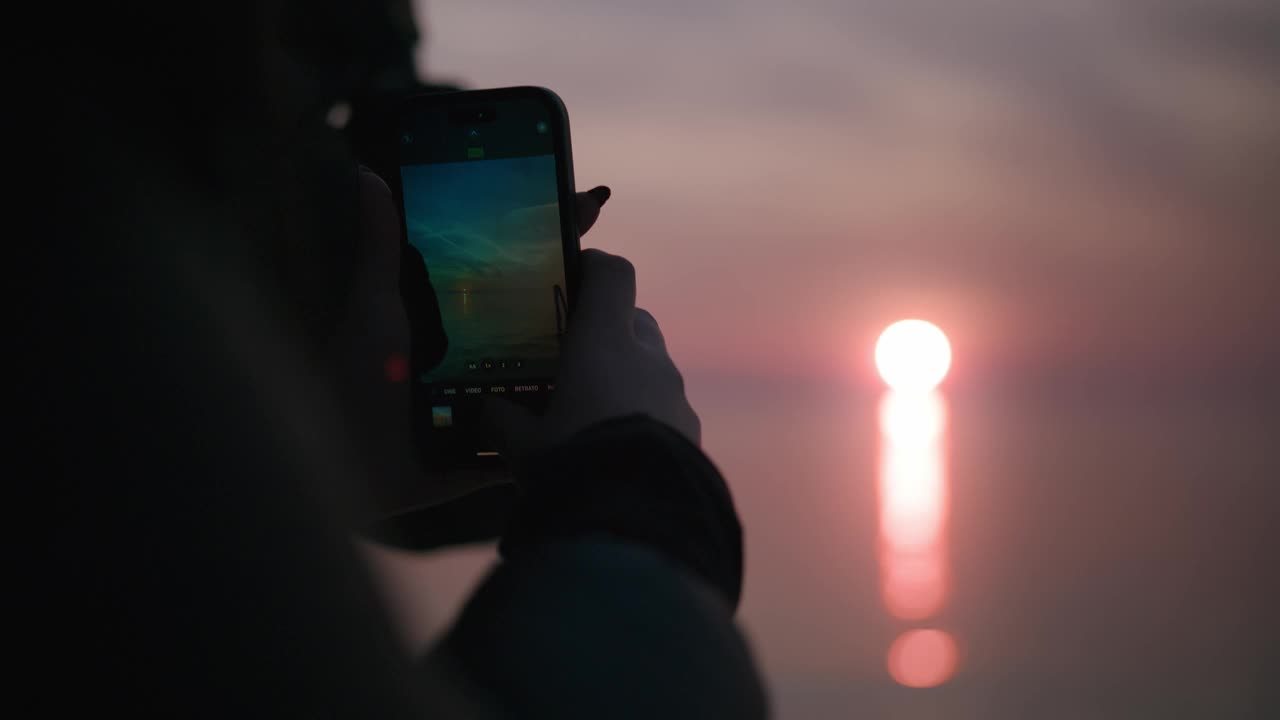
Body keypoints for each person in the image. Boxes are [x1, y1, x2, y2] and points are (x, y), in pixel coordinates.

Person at [15, 1, 768, 717]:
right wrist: (641, 504)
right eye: (324, 115)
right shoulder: (77, 236)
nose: (364, 190)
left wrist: (329, 468)